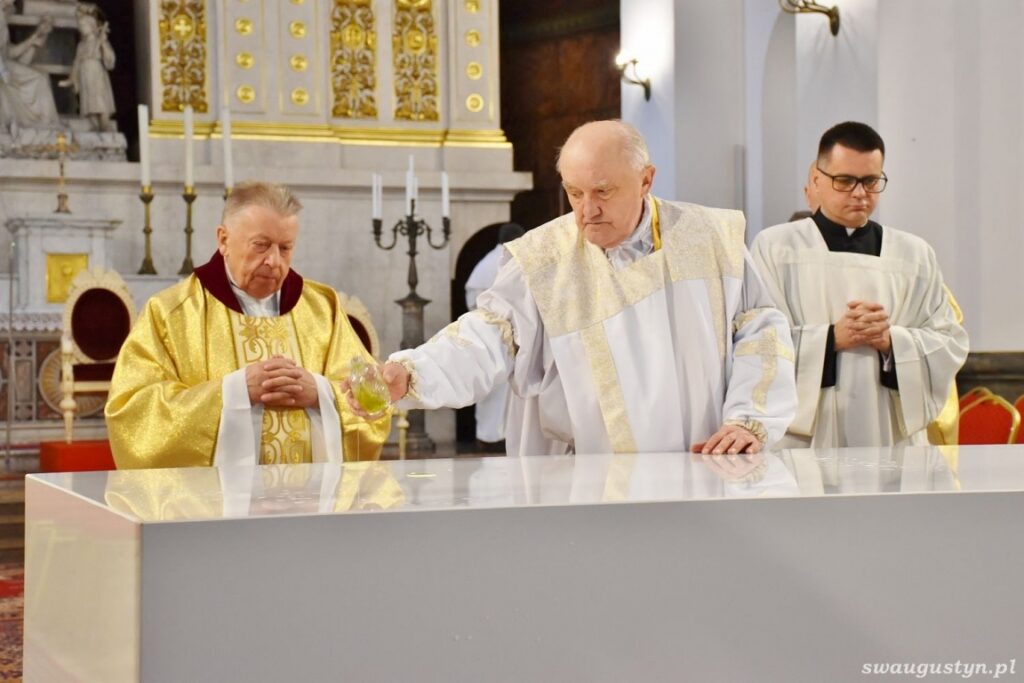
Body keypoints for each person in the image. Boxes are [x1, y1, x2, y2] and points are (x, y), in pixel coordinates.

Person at [353, 120, 798, 457]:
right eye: (574, 193)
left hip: (705, 464)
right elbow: (488, 335)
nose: (587, 210)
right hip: (590, 479)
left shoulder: (711, 238)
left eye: (603, 191)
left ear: (646, 180)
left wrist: (748, 420)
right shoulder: (543, 259)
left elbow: (760, 330)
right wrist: (414, 373)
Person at [106, 181, 390, 468]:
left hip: (310, 492)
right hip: (217, 496)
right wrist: (234, 392)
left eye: (285, 248)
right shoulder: (171, 313)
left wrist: (320, 393)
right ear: (223, 240)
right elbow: (132, 414)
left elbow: (376, 399)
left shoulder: (322, 309)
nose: (273, 261)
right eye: (261, 245)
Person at [751, 121, 968, 448]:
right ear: (816, 179)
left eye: (870, 181)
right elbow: (756, 340)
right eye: (844, 181)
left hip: (891, 433)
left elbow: (948, 342)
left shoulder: (915, 255)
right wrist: (830, 339)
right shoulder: (776, 248)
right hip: (804, 438)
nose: (859, 193)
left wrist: (892, 341)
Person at [464, 222, 524, 449]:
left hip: (484, 332)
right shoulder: (511, 261)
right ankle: (499, 437)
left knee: (490, 387)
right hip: (506, 334)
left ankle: (487, 436)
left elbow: (472, 299)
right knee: (499, 389)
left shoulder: (485, 262)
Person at [0, 1, 59, 132]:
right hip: (2, 68)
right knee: (39, 80)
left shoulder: (2, 17)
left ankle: (45, 124)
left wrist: (33, 39)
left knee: (41, 78)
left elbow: (8, 52)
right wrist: (3, 72)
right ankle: (44, 123)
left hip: (4, 64)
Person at [59, 5, 116, 132]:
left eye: (83, 25)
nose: (81, 28)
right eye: (80, 26)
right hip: (85, 74)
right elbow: (77, 62)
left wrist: (103, 44)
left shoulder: (99, 40)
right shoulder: (81, 45)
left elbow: (110, 60)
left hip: (96, 72)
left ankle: (104, 123)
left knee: (100, 99)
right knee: (89, 102)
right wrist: (72, 78)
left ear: (91, 26)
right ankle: (93, 123)